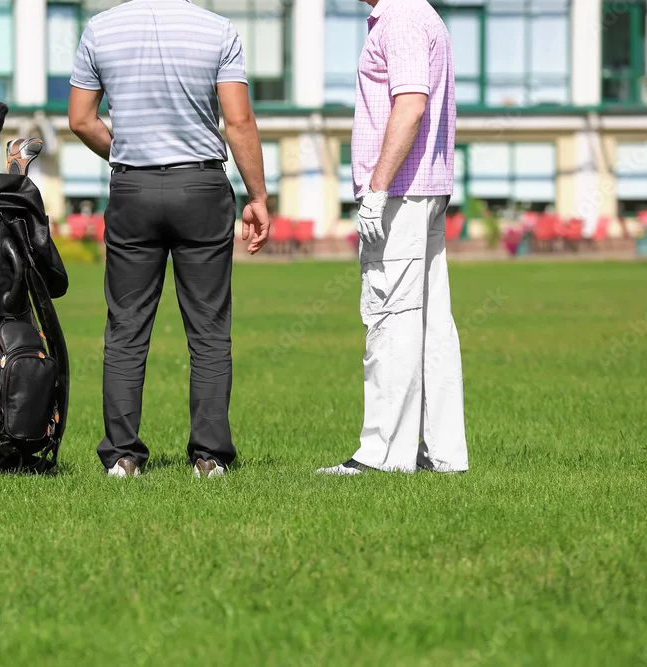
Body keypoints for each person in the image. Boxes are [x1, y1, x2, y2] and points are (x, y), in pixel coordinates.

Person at [68, 0, 271, 479]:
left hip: (132, 190)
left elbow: (80, 119)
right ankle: (209, 458)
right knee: (209, 330)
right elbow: (238, 121)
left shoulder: (100, 28)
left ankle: (122, 458)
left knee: (125, 328)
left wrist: (125, 153)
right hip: (201, 188)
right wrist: (258, 195)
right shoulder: (218, 30)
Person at [318, 0, 469, 475]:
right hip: (423, 187)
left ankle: (382, 455)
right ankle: (442, 453)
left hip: (401, 192)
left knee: (390, 317)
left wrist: (377, 188)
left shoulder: (400, 19)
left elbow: (411, 104)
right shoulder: (421, 14)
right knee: (430, 324)